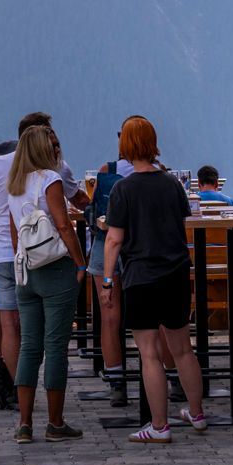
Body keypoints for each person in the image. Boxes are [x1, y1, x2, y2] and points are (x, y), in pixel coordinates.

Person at [104, 115, 208, 443]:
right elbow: (181, 220)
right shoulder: (171, 184)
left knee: (148, 352)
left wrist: (107, 281)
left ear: (125, 146)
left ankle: (159, 425)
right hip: (175, 273)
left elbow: (114, 240)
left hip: (141, 277)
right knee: (182, 349)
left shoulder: (123, 189)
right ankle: (197, 412)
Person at [5, 125, 86, 444]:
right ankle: (55, 422)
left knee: (29, 347)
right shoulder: (49, 180)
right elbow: (64, 226)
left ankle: (24, 423)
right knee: (55, 347)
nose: (57, 150)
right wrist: (80, 262)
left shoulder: (14, 183)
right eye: (53, 146)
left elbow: (14, 230)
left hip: (26, 269)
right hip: (55, 268)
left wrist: (19, 260)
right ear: (42, 150)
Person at [0, 117, 52, 394]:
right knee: (34, 323)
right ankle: (32, 380)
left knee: (7, 323)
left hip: (0, 252)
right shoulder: (49, 165)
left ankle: (19, 388)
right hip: (38, 253)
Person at [86, 158, 128, 405]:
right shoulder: (159, 174)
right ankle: (173, 378)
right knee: (156, 320)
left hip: (105, 243)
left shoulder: (106, 171)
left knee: (109, 318)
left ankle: (116, 382)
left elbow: (94, 210)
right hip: (141, 246)